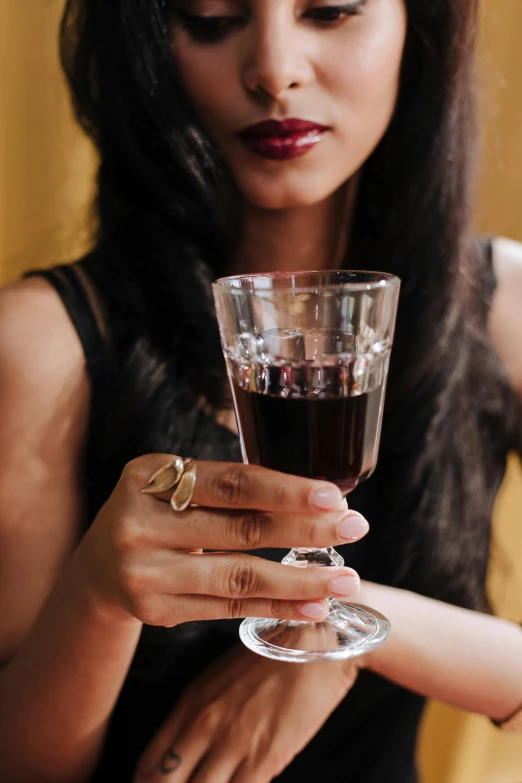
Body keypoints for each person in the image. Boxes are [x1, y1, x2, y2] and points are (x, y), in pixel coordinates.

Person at [0, 0, 521, 781]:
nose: (275, 69)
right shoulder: (41, 347)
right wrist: (99, 596)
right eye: (212, 17)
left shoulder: (503, 308)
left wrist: (352, 641)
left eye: (331, 9)